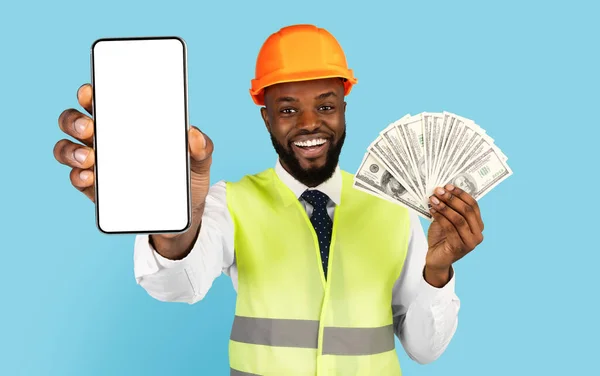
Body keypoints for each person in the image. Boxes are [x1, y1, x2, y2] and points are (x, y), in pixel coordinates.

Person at [54, 24, 486, 375]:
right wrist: (175, 225)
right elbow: (176, 287)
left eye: (326, 105)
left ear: (344, 109)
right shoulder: (229, 204)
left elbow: (425, 351)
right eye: (287, 109)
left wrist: (438, 270)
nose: (310, 124)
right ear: (265, 116)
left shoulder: (394, 209)